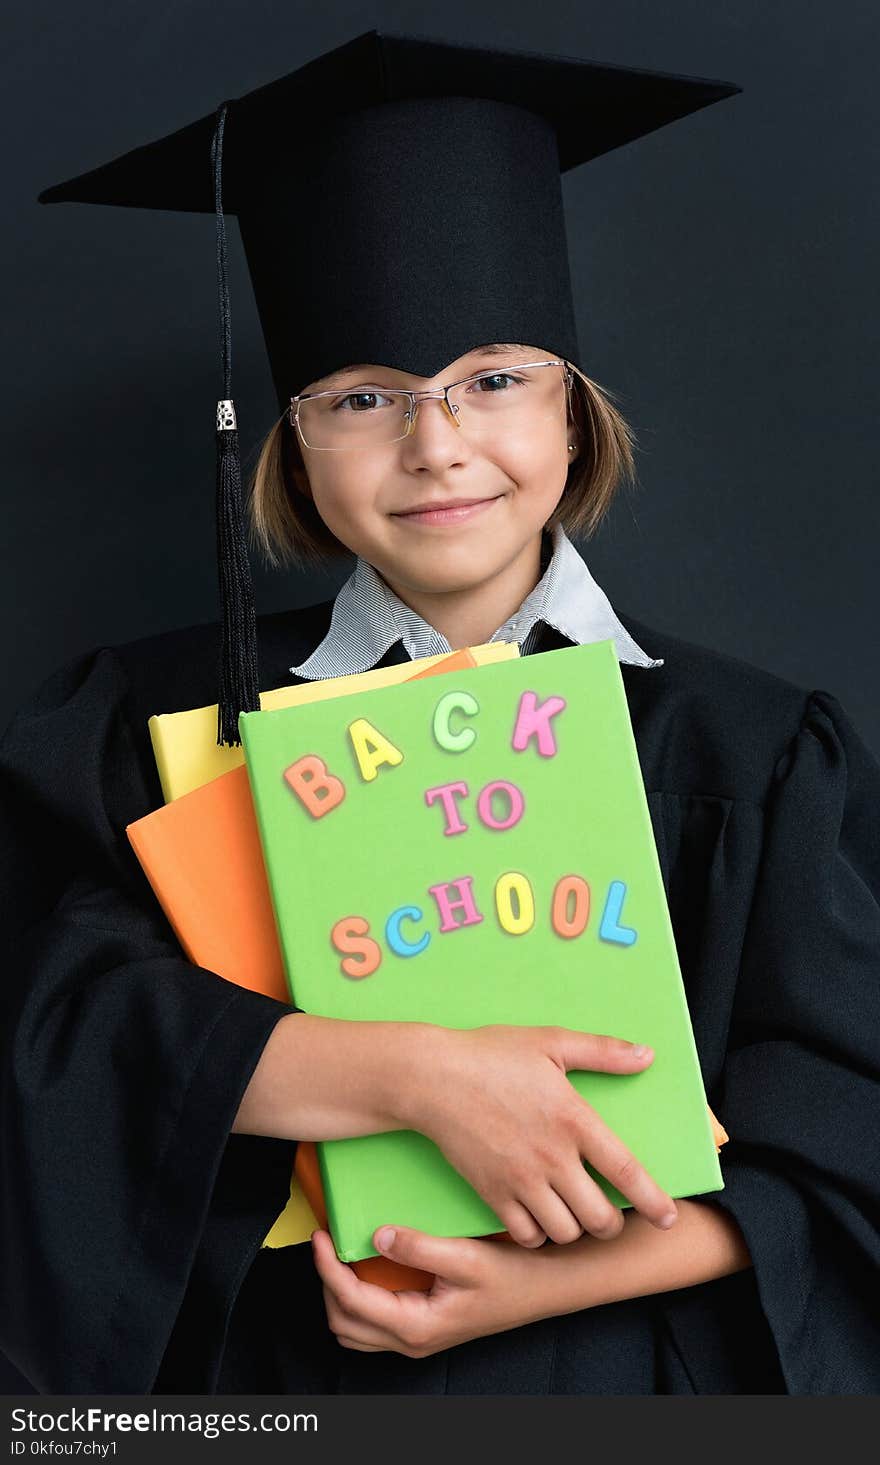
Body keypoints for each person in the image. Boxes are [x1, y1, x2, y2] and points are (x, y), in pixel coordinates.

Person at [2, 31, 878, 1396]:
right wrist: (401, 1074)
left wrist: (568, 1271)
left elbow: (851, 1115)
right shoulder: (163, 727)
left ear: (576, 415)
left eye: (497, 376)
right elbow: (59, 1037)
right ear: (294, 440)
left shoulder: (752, 751)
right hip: (280, 1391)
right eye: (365, 398)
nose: (438, 442)